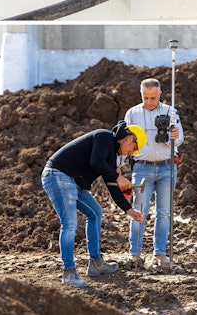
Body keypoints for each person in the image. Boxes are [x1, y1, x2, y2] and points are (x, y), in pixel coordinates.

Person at [42, 121, 147, 288]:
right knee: (69, 223)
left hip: (74, 181)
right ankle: (68, 272)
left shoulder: (112, 157)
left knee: (95, 212)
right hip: (58, 175)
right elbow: (96, 162)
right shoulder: (104, 136)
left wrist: (129, 210)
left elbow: (112, 186)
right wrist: (118, 177)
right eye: (133, 149)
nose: (131, 154)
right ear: (128, 139)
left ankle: (96, 263)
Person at [124, 77, 184, 269]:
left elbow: (180, 139)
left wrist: (171, 136)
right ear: (140, 94)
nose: (149, 102)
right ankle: (134, 254)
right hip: (142, 167)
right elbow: (124, 142)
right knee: (139, 211)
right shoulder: (132, 114)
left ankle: (160, 253)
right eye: (145, 97)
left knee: (164, 213)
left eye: (153, 98)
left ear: (160, 94)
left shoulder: (170, 112)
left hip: (167, 168)